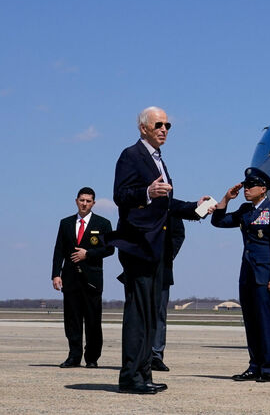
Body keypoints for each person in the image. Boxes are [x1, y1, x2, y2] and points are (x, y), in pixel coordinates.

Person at [109, 106, 208, 394]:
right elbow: (120, 196)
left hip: (157, 250)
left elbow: (168, 206)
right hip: (139, 246)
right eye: (159, 125)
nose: (164, 129)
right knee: (138, 315)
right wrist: (146, 193)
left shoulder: (158, 160)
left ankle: (144, 373)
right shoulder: (131, 155)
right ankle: (129, 378)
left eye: (168, 125)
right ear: (143, 128)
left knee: (151, 315)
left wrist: (197, 208)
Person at [210, 167, 270, 383]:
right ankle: (254, 366)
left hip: (266, 276)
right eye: (245, 186)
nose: (246, 189)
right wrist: (226, 199)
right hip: (247, 275)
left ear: (263, 189)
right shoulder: (245, 210)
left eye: (251, 186)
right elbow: (218, 221)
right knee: (251, 323)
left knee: (264, 323)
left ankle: (268, 369)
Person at [51, 187, 114, 368]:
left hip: (92, 279)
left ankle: (92, 357)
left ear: (93, 203)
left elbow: (110, 249)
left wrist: (89, 254)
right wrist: (56, 274)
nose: (84, 203)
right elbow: (58, 251)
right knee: (72, 320)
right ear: (76, 201)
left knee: (93, 320)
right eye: (82, 200)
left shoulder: (103, 224)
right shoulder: (66, 223)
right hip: (70, 279)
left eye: (88, 201)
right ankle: (74, 356)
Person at [150, 213, 185, 372]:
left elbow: (179, 234)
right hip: (138, 267)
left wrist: (169, 255)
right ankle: (138, 355)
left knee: (159, 315)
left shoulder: (171, 210)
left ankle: (156, 355)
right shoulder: (137, 205)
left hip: (163, 269)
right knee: (137, 314)